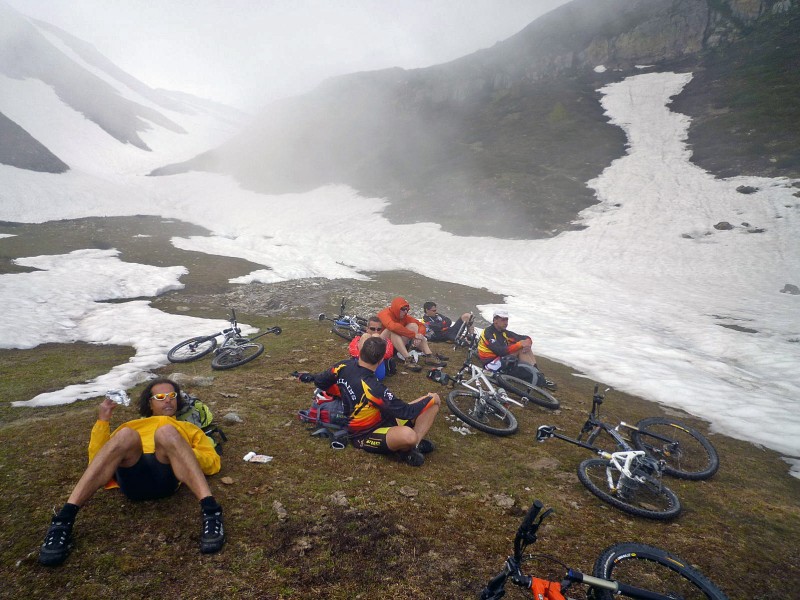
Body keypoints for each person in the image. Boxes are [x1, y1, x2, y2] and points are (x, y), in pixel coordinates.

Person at [38, 378, 225, 567]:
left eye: (172, 396)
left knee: (166, 432)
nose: (167, 400)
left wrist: (181, 451)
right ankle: (63, 521)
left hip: (166, 476)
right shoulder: (131, 425)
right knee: (126, 435)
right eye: (160, 396)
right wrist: (103, 421)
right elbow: (98, 461)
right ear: (149, 402)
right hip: (131, 478)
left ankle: (211, 512)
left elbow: (213, 463)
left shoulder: (188, 429)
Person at [299, 337, 441, 467]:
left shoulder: (343, 366)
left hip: (386, 419)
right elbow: (405, 412)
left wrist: (340, 390)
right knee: (410, 433)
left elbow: (320, 381)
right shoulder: (373, 387)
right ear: (380, 361)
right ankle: (408, 449)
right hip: (365, 435)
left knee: (431, 404)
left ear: (360, 351)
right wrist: (431, 398)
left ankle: (413, 447)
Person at [477, 309, 556, 390]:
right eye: (503, 320)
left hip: (498, 361)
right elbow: (500, 351)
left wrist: (528, 343)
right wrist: (520, 344)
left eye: (507, 319)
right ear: (495, 320)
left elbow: (525, 338)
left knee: (524, 347)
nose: (506, 322)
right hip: (490, 365)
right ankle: (538, 378)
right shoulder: (488, 332)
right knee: (520, 348)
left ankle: (538, 375)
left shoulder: (504, 332)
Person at [377, 296, 446, 370]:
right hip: (382, 345)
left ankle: (429, 355)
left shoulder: (404, 317)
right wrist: (414, 335)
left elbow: (421, 325)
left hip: (396, 345)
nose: (405, 312)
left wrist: (419, 335)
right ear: (396, 308)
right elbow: (393, 327)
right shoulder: (384, 314)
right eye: (403, 309)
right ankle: (408, 359)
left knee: (413, 326)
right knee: (391, 330)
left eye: (407, 310)